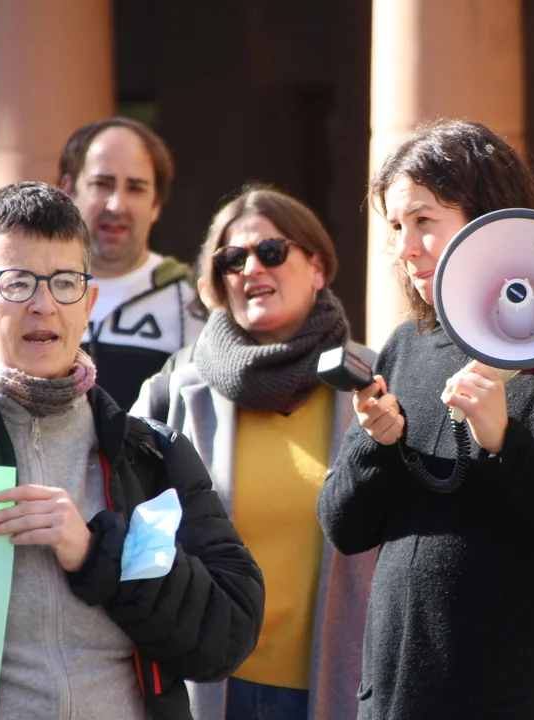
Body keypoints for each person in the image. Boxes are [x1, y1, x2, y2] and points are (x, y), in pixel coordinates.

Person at [0, 181, 265, 720]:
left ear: (88, 304)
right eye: (16, 283)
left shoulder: (152, 453)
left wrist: (98, 552)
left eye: (65, 283)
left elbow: (227, 636)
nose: (45, 305)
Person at [316, 119, 534, 719]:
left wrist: (504, 443)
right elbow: (344, 528)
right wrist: (373, 445)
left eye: (423, 220)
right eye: (395, 226)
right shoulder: (406, 346)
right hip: (402, 700)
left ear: (487, 219)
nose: (405, 247)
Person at [132, 183, 376, 720]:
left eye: (271, 251)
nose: (251, 269)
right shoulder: (175, 391)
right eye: (232, 259)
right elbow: (128, 527)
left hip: (339, 691)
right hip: (208, 686)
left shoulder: (375, 383)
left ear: (318, 268)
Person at [58, 117, 206, 408]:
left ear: (156, 205)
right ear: (68, 190)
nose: (117, 205)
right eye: (102, 184)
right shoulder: (31, 294)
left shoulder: (193, 302)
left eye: (136, 188)